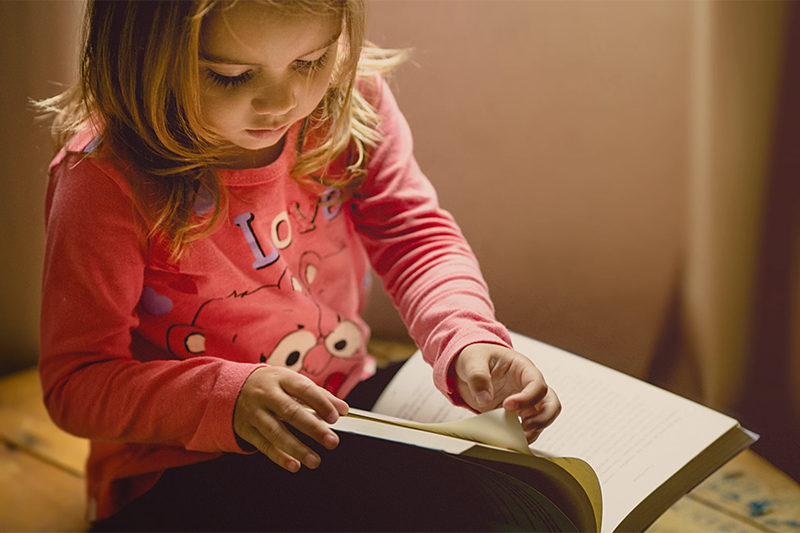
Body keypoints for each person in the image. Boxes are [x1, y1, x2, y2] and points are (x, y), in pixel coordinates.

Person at [37, 0, 561, 530]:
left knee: (523, 502)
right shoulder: (104, 180)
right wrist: (227, 399)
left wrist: (468, 335)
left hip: (345, 405)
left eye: (310, 62)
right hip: (181, 464)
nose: (282, 102)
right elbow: (77, 384)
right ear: (138, 55)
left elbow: (413, 234)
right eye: (231, 75)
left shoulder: (347, 103)